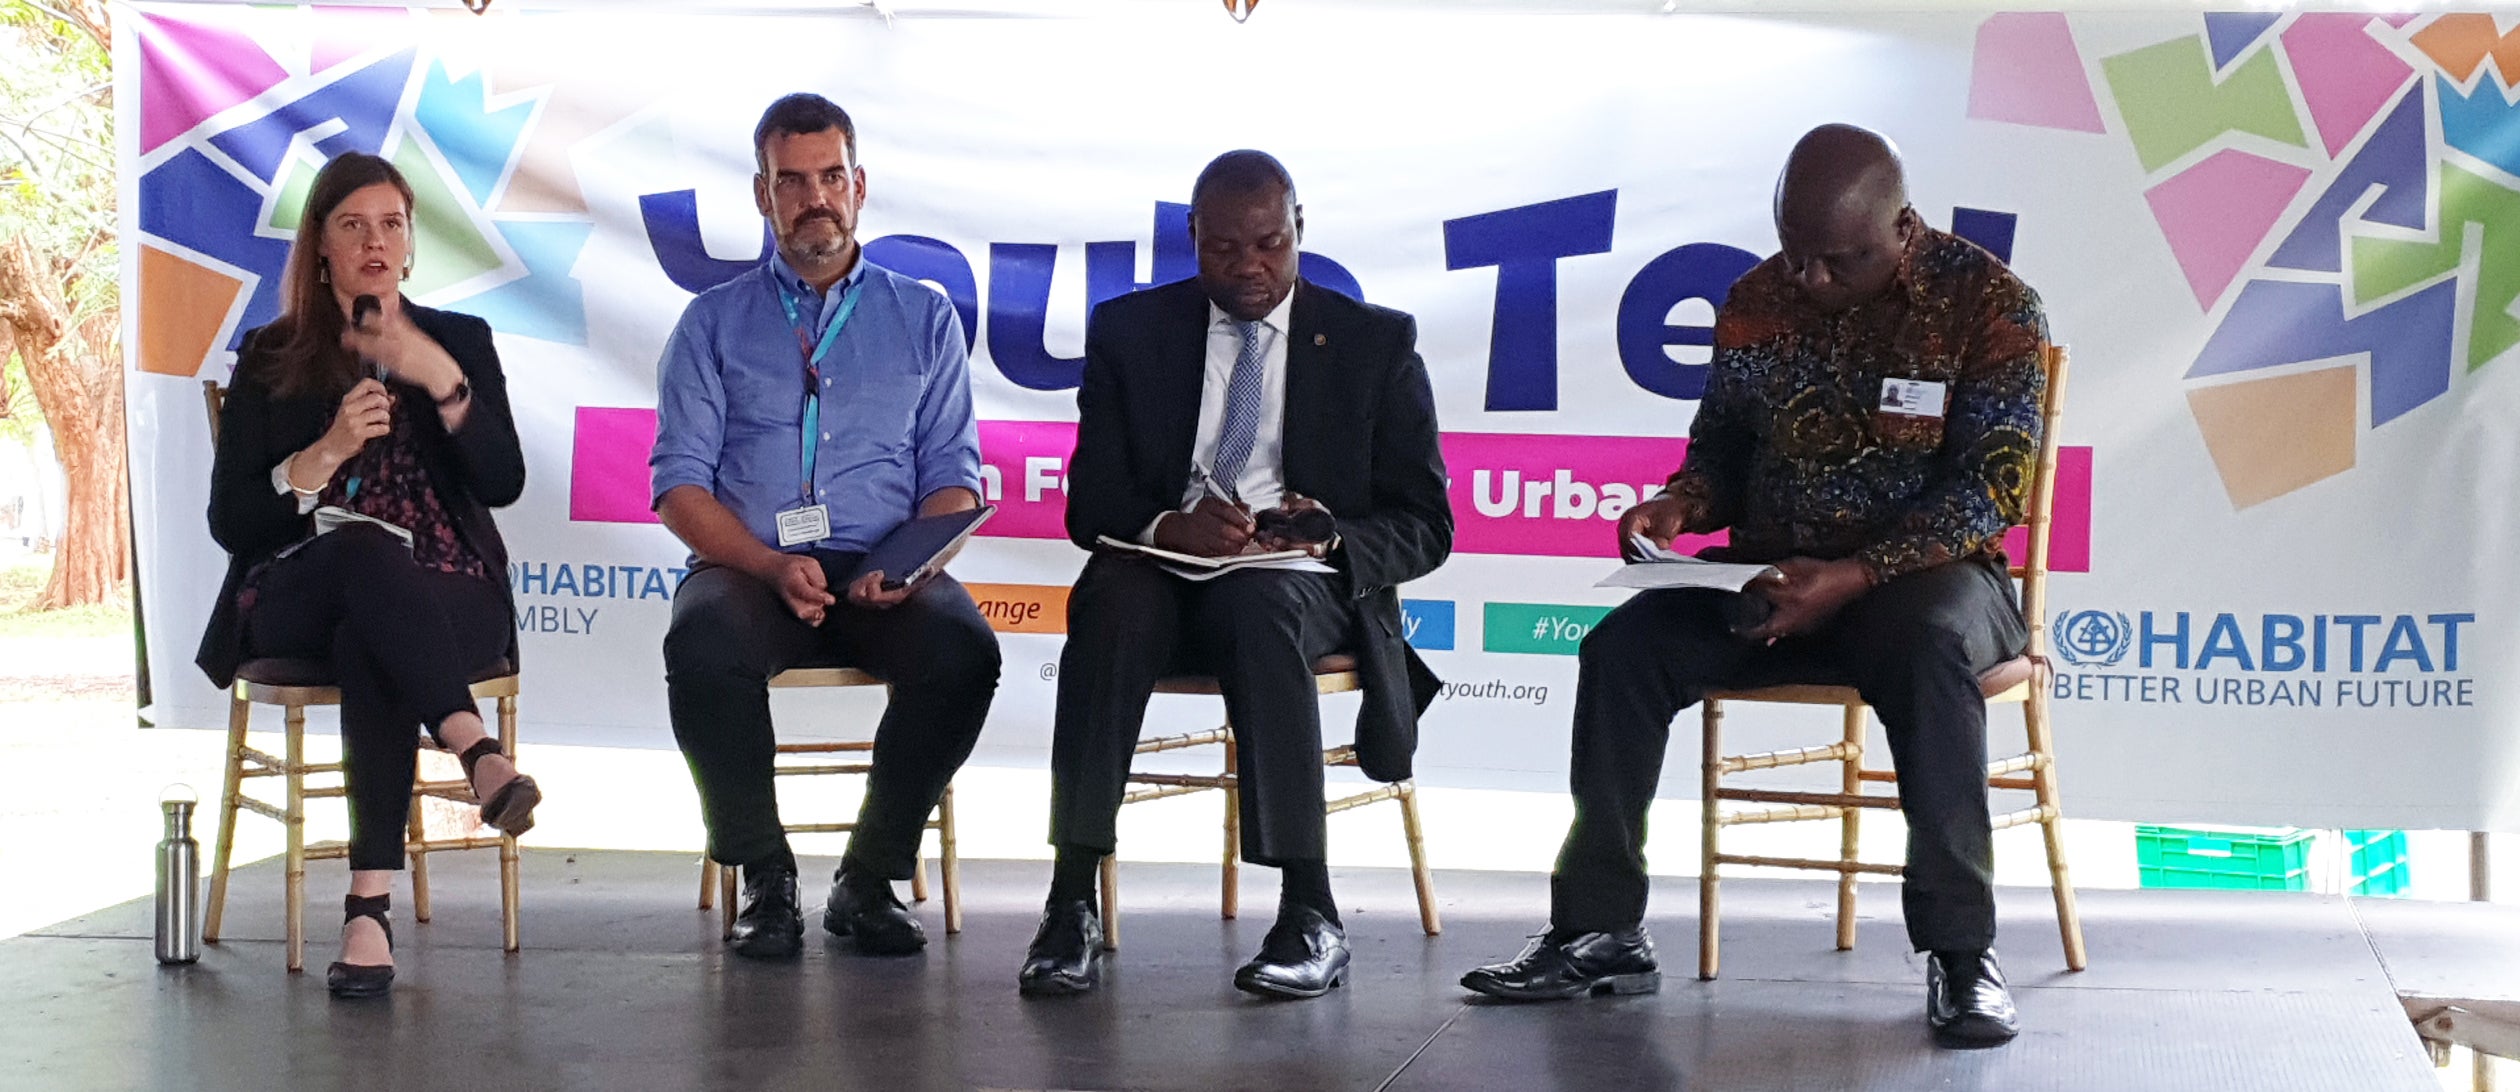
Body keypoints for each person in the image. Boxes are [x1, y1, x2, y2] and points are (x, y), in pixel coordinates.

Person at [1457, 124, 2049, 1049]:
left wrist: (1856, 574)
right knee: (1624, 649)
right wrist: (1677, 507)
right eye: (1795, 254)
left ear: (1901, 226)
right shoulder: (1755, 300)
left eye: (1839, 260)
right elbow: (1722, 454)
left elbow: (1994, 486)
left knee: (1929, 650)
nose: (1810, 280)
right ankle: (1600, 928)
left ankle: (1962, 956)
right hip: (1773, 578)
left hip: (1927, 583)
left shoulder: (1990, 304)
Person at [1019, 150, 1452, 999]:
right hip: (1164, 566)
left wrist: (1328, 534)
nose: (1250, 267)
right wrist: (1169, 524)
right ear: (1192, 239)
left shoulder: (1374, 344)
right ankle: (1071, 900)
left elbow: (1427, 525)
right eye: (1224, 249)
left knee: (1262, 610)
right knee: (1108, 604)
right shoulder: (1129, 333)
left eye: (1270, 244)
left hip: (1296, 578)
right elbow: (1091, 504)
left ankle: (1309, 912)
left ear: (1299, 231)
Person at [651, 93, 999, 961]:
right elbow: (680, 489)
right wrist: (767, 564)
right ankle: (765, 877)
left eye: (831, 177)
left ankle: (869, 875)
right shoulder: (710, 323)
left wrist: (908, 567)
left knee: (965, 653)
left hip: (882, 566)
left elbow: (953, 481)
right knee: (702, 649)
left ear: (860, 186)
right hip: (748, 563)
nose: (816, 198)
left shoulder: (924, 317)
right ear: (762, 195)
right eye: (793, 181)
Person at [199, 151, 538, 1000]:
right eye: (353, 225)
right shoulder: (273, 355)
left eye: (392, 224)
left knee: (377, 632)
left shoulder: (458, 344)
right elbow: (231, 522)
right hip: (299, 587)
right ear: (321, 248)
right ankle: (477, 751)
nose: (376, 241)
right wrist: (321, 457)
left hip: (444, 589)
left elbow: (503, 482)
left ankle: (366, 914)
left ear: (411, 245)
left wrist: (444, 383)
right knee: (360, 554)